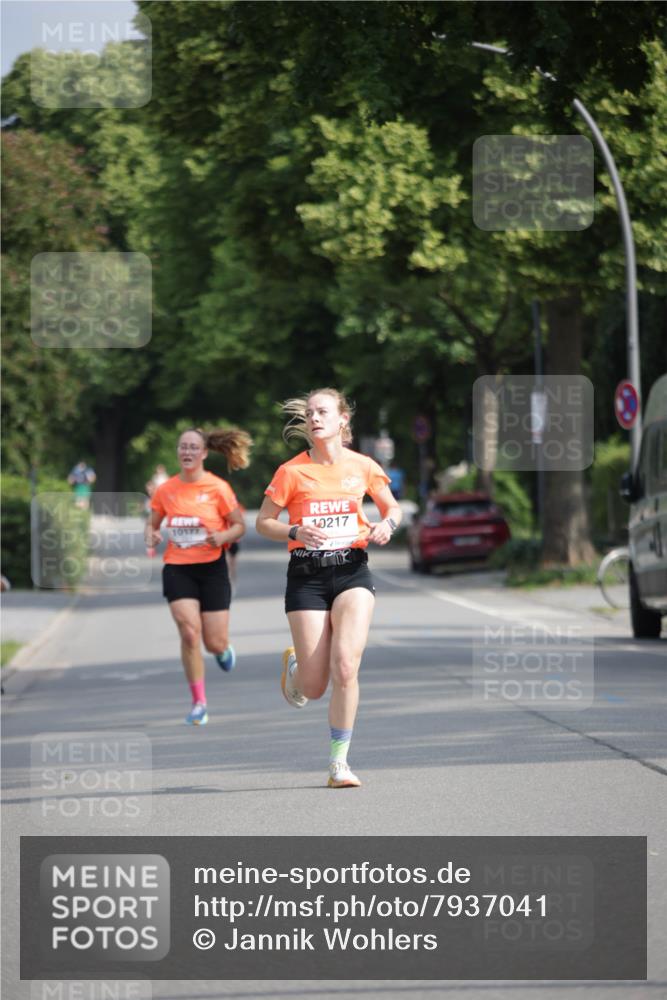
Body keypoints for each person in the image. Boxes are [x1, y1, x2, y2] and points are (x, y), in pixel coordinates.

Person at [256, 388, 401, 788]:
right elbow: (263, 522)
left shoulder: (363, 465)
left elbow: (392, 507)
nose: (314, 418)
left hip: (353, 570)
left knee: (346, 666)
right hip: (306, 575)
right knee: (315, 687)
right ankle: (297, 668)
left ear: (342, 421)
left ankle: (339, 763)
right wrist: (294, 529)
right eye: (309, 413)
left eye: (322, 412)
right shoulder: (291, 472)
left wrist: (387, 525)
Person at [145, 427, 252, 726]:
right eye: (183, 447)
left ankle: (222, 650)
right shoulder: (166, 489)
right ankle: (199, 703)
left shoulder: (218, 488)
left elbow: (239, 526)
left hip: (212, 568)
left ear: (204, 453)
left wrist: (222, 536)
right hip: (178, 568)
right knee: (189, 633)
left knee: (213, 642)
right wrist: (151, 535)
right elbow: (152, 524)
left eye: (194, 447)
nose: (188, 452)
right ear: (178, 452)